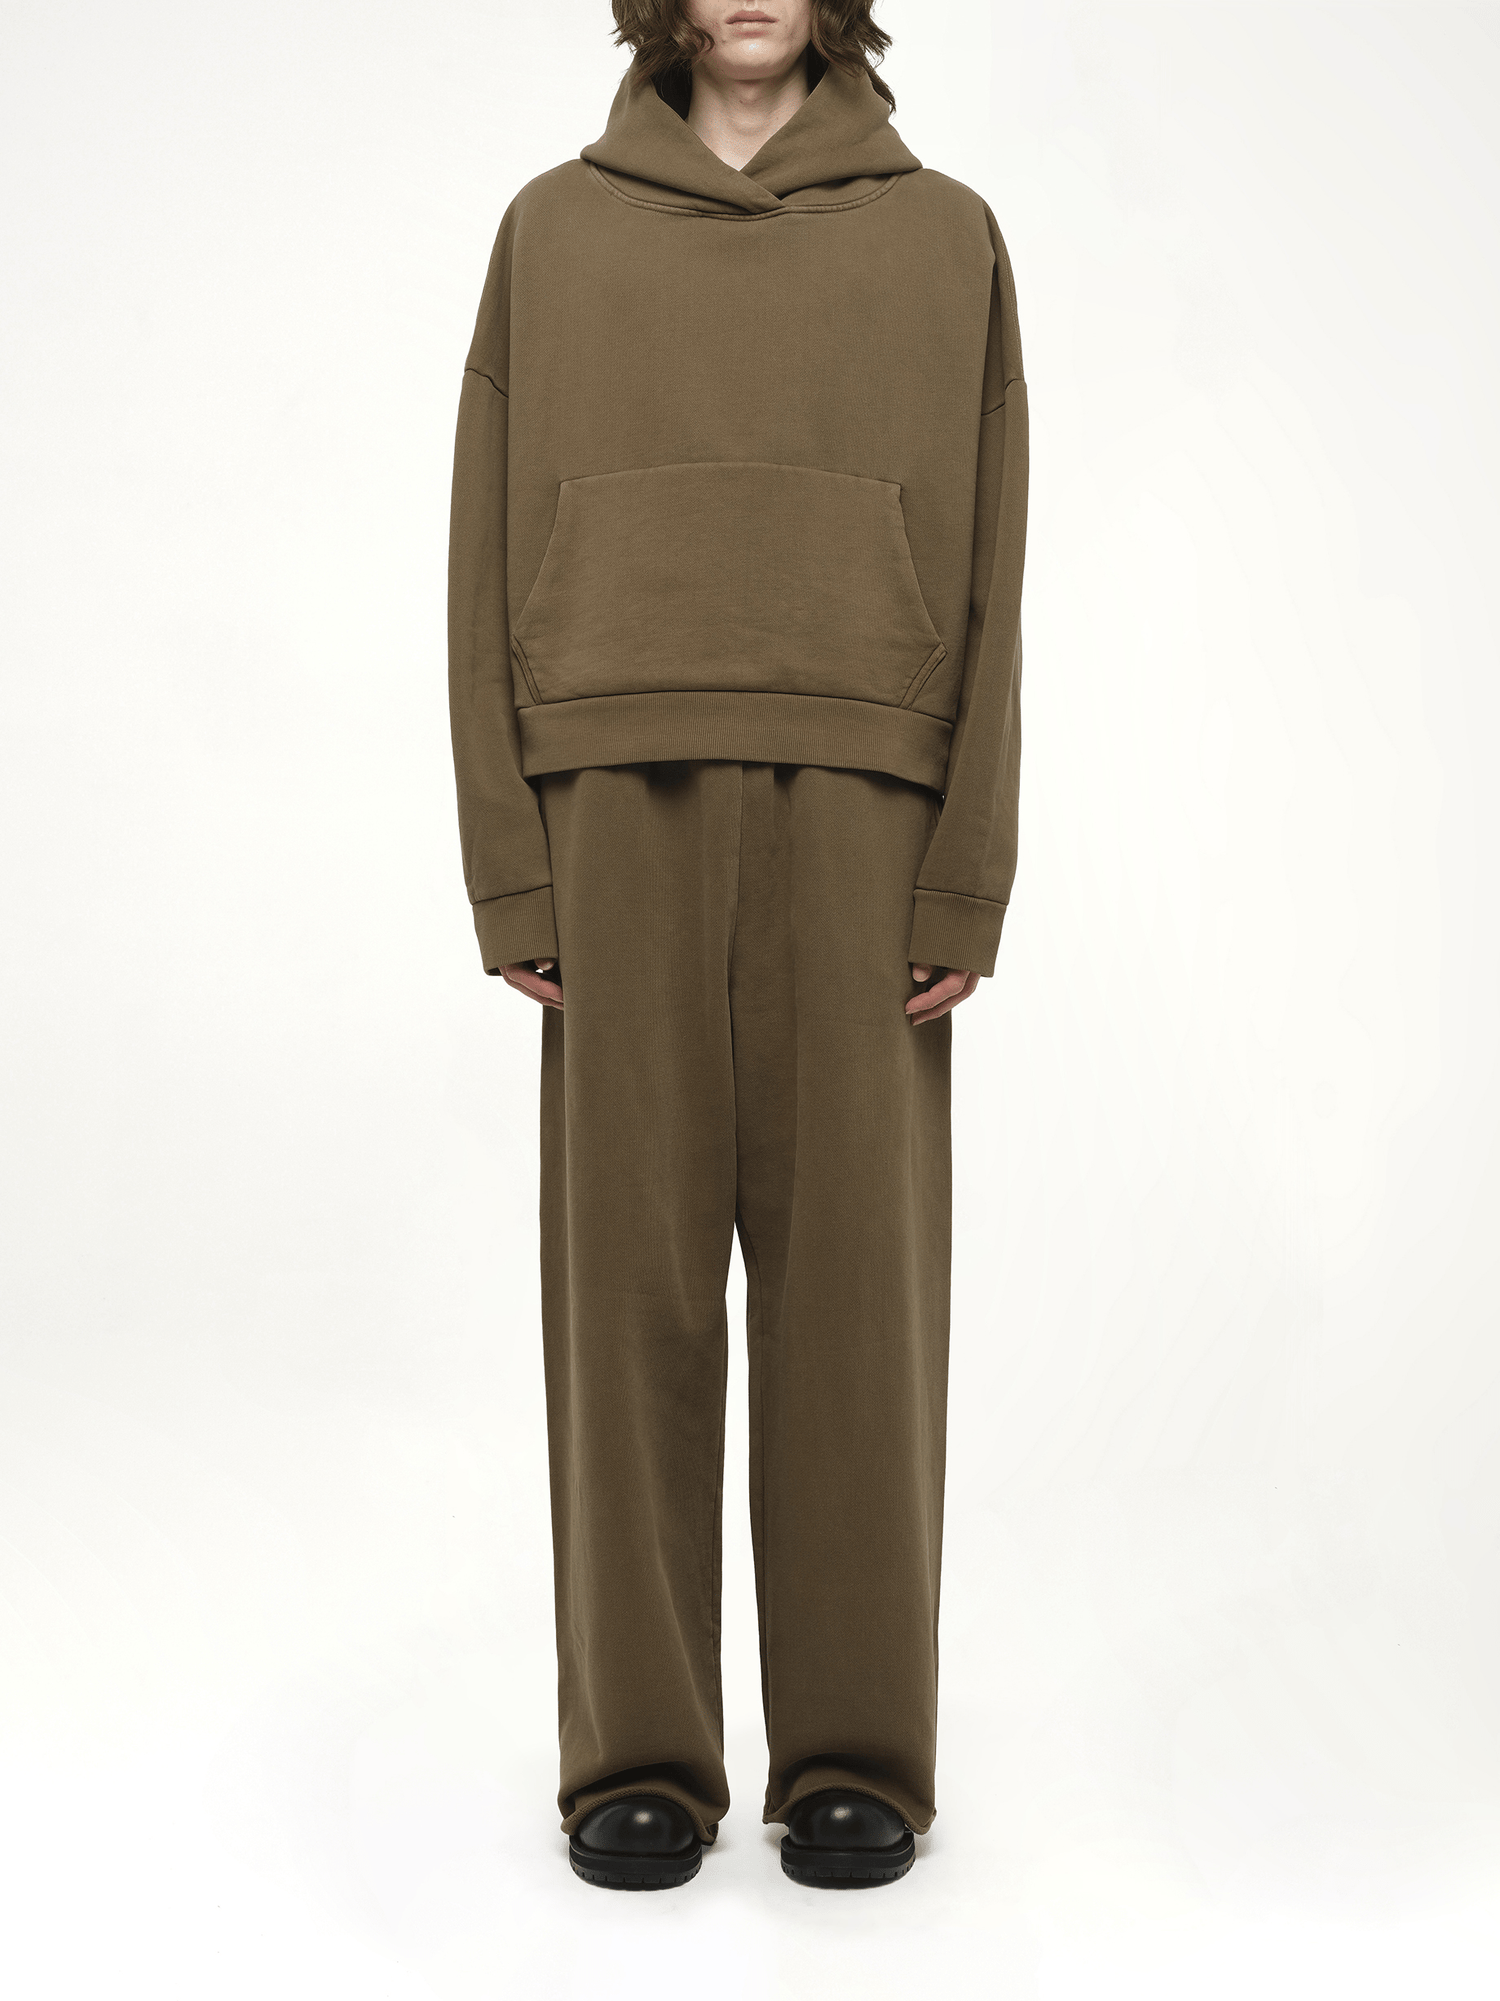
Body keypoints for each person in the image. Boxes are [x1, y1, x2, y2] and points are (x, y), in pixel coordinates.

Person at [447, 0, 1027, 1891]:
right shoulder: (554, 229)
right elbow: (476, 561)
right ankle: (637, 1758)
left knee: (858, 1303)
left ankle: (856, 1753)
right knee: (627, 1296)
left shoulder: (945, 236)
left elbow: (995, 576)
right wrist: (510, 869)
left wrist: (968, 874)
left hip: (867, 804)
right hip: (611, 797)